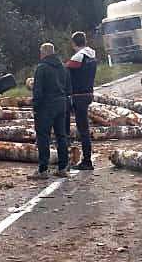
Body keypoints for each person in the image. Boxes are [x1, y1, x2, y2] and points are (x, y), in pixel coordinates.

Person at [30, 42, 72, 179]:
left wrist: (36, 107)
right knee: (61, 136)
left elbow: (38, 91)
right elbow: (68, 88)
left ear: (44, 53)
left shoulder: (41, 68)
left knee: (43, 138)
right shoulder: (63, 67)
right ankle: (63, 167)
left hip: (46, 107)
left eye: (41, 52)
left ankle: (43, 170)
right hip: (61, 104)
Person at [65, 31, 98, 170]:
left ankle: (86, 161)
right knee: (83, 128)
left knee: (83, 129)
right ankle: (85, 158)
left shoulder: (78, 57)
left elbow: (65, 70)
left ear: (73, 43)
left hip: (78, 96)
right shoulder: (92, 54)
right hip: (88, 93)